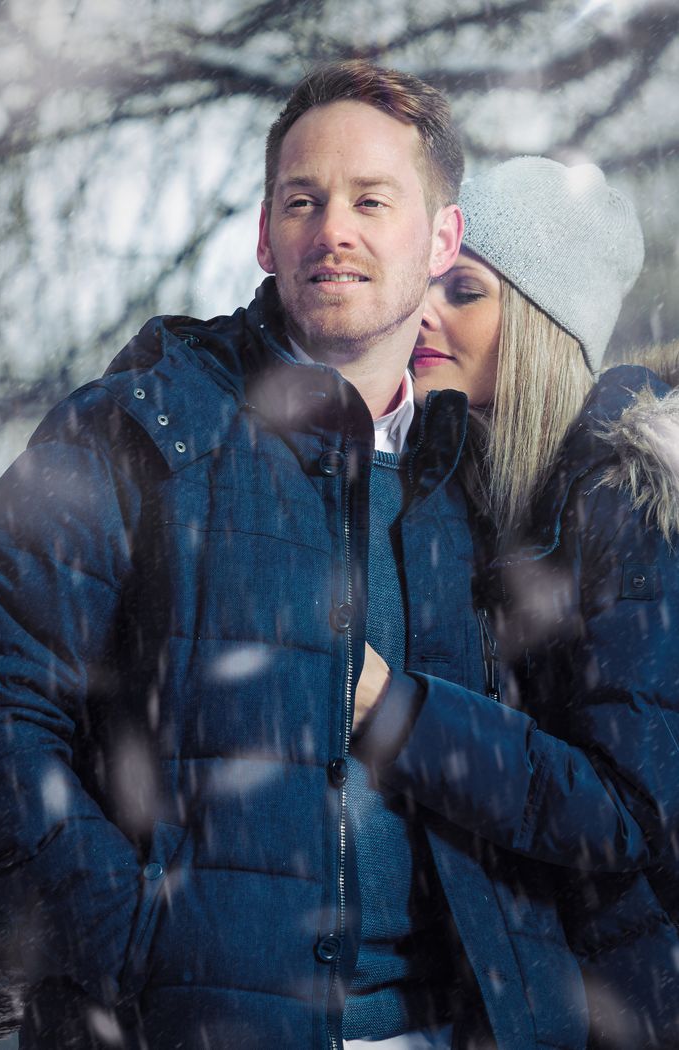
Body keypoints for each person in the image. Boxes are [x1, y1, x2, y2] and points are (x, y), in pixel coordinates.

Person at [0, 59, 518, 1050]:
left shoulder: (481, 482)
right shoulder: (138, 427)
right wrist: (144, 949)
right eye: (304, 199)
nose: (334, 229)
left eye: (373, 200)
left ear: (442, 239)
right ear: (264, 232)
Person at [357, 156, 679, 1047]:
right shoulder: (469, 496)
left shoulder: (630, 507)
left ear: (541, 321)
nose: (424, 311)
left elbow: (621, 812)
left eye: (464, 289)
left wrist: (393, 711)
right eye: (426, 281)